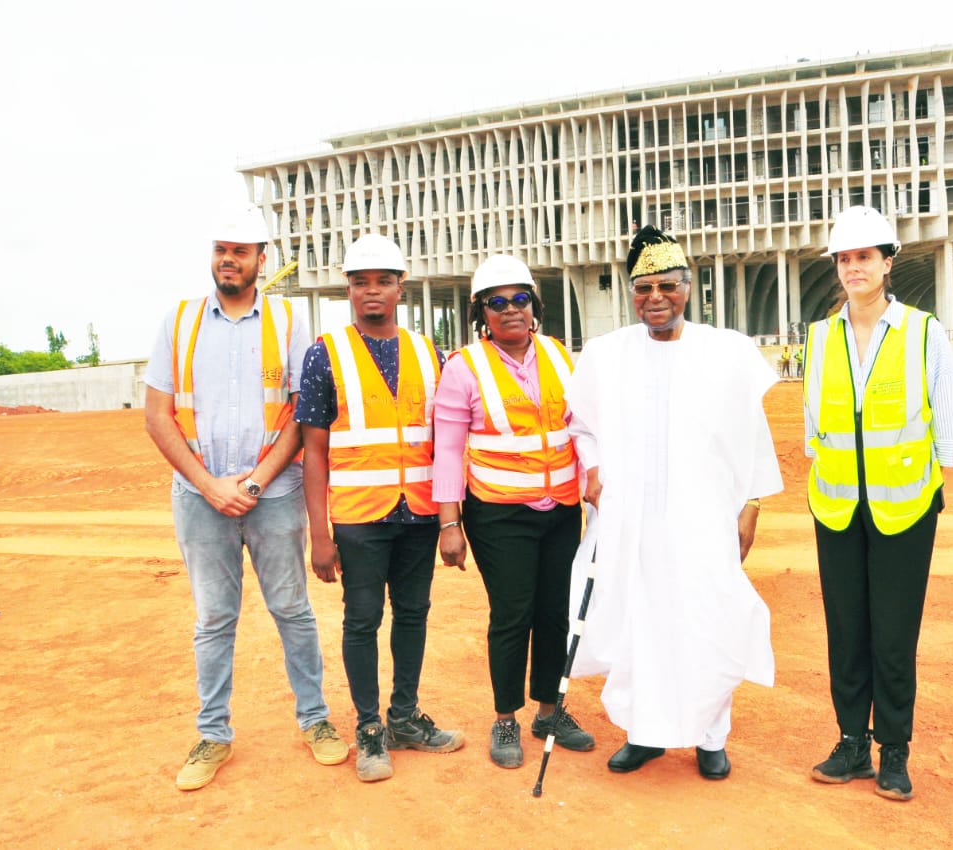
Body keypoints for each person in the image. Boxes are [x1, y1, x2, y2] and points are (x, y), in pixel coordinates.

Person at [566, 225, 782, 781]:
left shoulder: (725, 352)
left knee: (708, 616)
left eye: (667, 286)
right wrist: (591, 468)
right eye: (643, 289)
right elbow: (582, 427)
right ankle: (644, 734)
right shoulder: (606, 355)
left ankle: (711, 738)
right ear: (630, 294)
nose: (655, 298)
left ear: (689, 287)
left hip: (704, 519)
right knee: (640, 623)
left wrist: (751, 504)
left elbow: (751, 435)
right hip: (632, 523)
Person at [144, 205, 347, 791]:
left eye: (240, 250)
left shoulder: (288, 323)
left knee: (292, 610)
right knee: (213, 619)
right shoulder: (178, 322)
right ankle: (213, 734)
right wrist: (209, 485)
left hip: (274, 493)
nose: (227, 260)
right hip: (199, 495)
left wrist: (255, 481)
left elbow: (302, 416)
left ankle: (316, 720)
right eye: (220, 249)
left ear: (263, 259)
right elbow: (158, 417)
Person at [803, 206, 953, 801]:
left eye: (864, 257)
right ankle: (852, 743)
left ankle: (893, 748)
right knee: (846, 630)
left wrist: (936, 470)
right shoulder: (821, 335)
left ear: (888, 262)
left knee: (893, 632)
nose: (853, 268)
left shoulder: (922, 330)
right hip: (838, 502)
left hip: (905, 504)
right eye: (844, 259)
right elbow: (815, 415)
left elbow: (945, 402)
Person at [297, 233, 464, 783]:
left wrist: (448, 520)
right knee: (362, 620)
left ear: (401, 287)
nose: (373, 292)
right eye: (362, 282)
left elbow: (444, 445)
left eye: (384, 282)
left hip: (417, 513)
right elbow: (314, 449)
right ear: (348, 288)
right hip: (359, 517)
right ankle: (370, 727)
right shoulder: (326, 351)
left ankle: (405, 718)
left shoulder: (427, 351)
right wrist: (319, 536)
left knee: (413, 615)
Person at [432, 254, 594, 769]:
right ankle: (506, 718)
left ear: (535, 305)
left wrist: (593, 474)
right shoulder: (463, 367)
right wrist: (450, 523)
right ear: (482, 311)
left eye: (519, 298)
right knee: (512, 614)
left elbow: (581, 428)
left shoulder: (560, 355)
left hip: (562, 508)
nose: (510, 310)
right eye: (496, 302)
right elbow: (449, 451)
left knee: (555, 612)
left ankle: (550, 710)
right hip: (498, 514)